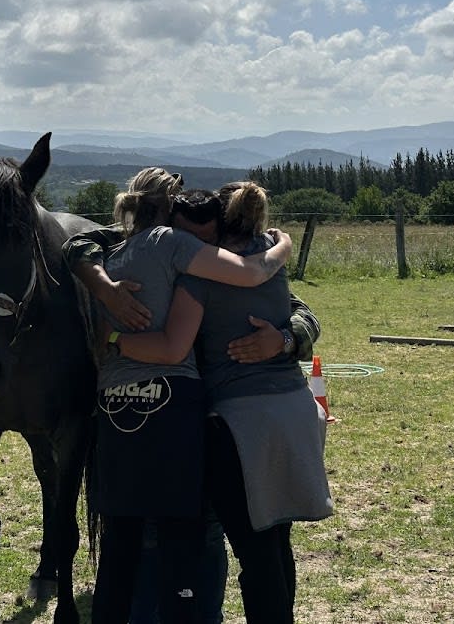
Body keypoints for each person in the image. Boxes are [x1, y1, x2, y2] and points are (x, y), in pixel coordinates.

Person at [64, 168, 293, 624]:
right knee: (180, 539)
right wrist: (282, 244)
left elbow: (76, 248)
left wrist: (110, 336)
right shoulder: (176, 243)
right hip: (174, 402)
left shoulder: (117, 252)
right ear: (172, 208)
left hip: (115, 401)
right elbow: (252, 275)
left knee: (120, 543)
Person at [101, 181, 332, 624]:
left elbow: (173, 346)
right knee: (274, 545)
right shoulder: (261, 251)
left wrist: (284, 339)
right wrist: (283, 245)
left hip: (230, 422)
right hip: (286, 410)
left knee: (255, 548)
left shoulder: (201, 275)